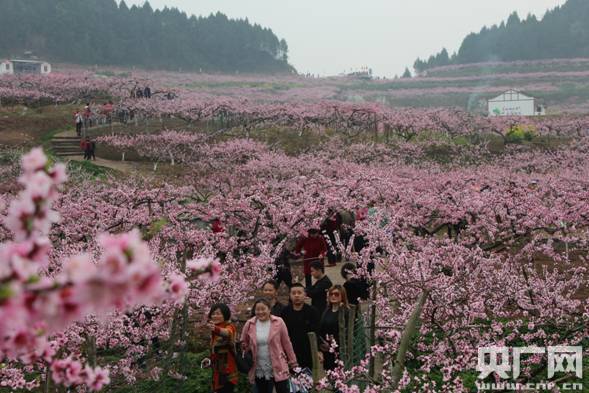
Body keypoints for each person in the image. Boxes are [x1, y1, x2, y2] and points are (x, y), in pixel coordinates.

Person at [241, 298, 298, 393]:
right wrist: (245, 351)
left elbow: (286, 343)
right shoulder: (250, 324)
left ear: (269, 309)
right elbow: (244, 342)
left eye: (263, 309)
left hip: (278, 363)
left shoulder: (279, 322)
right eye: (257, 310)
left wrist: (293, 361)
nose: (260, 312)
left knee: (283, 389)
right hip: (258, 365)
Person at [280, 283, 321, 370]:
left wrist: (318, 350)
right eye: (294, 293)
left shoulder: (312, 311)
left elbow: (317, 332)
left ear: (305, 295)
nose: (296, 295)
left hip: (308, 351)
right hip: (290, 350)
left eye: (299, 293)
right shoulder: (285, 312)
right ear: (290, 295)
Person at [318, 285, 353, 371]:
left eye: (336, 294)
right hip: (327, 350)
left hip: (340, 349)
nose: (333, 296)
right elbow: (321, 329)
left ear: (342, 296)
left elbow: (347, 332)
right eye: (331, 294)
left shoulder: (345, 311)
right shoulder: (327, 311)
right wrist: (321, 343)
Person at [206, 303, 238, 393]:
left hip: (227, 374)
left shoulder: (229, 327)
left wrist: (215, 329)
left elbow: (227, 333)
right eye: (213, 313)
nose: (215, 316)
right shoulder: (214, 331)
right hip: (217, 372)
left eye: (218, 313)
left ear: (225, 315)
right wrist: (209, 360)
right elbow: (216, 351)